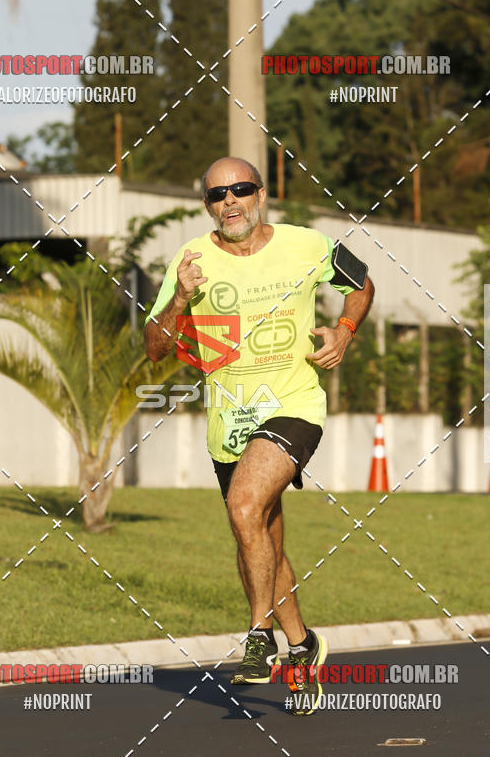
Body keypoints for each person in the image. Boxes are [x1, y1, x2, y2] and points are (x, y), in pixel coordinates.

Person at [144, 157, 374, 714]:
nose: (231, 202)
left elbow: (361, 283)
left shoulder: (307, 245)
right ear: (207, 206)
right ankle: (302, 646)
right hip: (229, 418)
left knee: (245, 505)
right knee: (260, 535)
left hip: (295, 404)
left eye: (241, 189)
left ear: (261, 194)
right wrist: (178, 299)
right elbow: (155, 349)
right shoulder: (190, 259)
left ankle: (258, 636)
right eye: (218, 194)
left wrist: (343, 332)